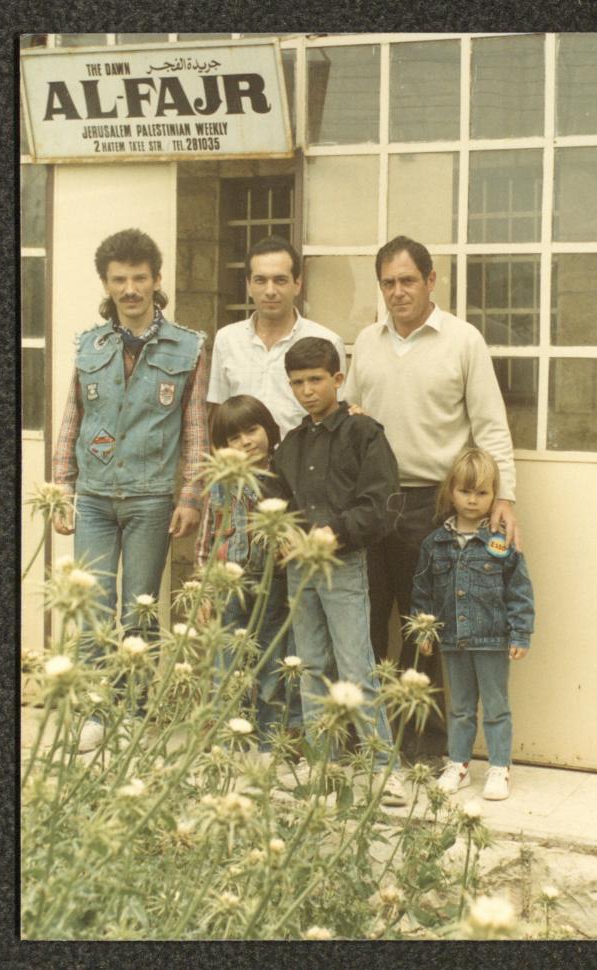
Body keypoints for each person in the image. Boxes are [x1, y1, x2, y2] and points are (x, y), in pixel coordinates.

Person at [343, 235, 519, 755]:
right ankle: (367, 743)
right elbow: (351, 415)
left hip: (434, 505)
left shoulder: (463, 341)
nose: (398, 292)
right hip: (373, 503)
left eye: (408, 281)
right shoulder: (368, 341)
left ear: (430, 281)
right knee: (368, 622)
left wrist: (504, 497)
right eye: (388, 283)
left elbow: (490, 425)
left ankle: (426, 749)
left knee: (427, 628)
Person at [53, 228, 209, 751]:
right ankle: (97, 710)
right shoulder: (87, 344)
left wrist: (190, 496)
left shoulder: (188, 346)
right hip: (95, 497)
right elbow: (72, 419)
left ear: (156, 280)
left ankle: (133, 709)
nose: (130, 289)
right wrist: (61, 490)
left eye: (139, 278)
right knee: (96, 605)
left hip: (151, 499)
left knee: (140, 607)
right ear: (107, 283)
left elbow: (193, 430)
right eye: (119, 279)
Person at [272, 337, 406, 805]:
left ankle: (381, 767)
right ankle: (321, 760)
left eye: (315, 380)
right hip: (299, 569)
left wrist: (336, 533)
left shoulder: (364, 433)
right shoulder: (291, 442)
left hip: (343, 563)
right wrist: (285, 531)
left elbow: (381, 503)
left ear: (337, 378)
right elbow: (280, 497)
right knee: (310, 665)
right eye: (297, 383)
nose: (307, 391)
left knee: (356, 666)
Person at [411, 447, 534, 800]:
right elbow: (423, 590)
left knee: (496, 706)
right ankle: (459, 764)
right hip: (452, 640)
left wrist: (520, 633)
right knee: (460, 706)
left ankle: (499, 767)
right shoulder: (435, 544)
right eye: (465, 491)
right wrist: (424, 630)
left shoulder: (501, 542)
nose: (472, 500)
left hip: (492, 639)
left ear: (494, 495)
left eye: (482, 493)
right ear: (451, 491)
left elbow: (519, 590)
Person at [194, 394, 302, 749]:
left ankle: (271, 740)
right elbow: (208, 533)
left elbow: (296, 522)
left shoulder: (284, 472)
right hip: (228, 582)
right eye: (234, 439)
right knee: (226, 662)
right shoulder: (222, 481)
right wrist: (204, 585)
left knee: (272, 662)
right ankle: (229, 737)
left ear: (269, 429)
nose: (246, 442)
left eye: (252, 430)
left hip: (274, 583)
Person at [207, 236, 347, 439]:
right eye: (260, 280)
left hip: (305, 465)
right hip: (246, 466)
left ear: (297, 284)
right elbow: (219, 416)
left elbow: (337, 418)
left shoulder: (327, 342)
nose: (270, 291)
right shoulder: (227, 339)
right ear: (248, 285)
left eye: (280, 280)